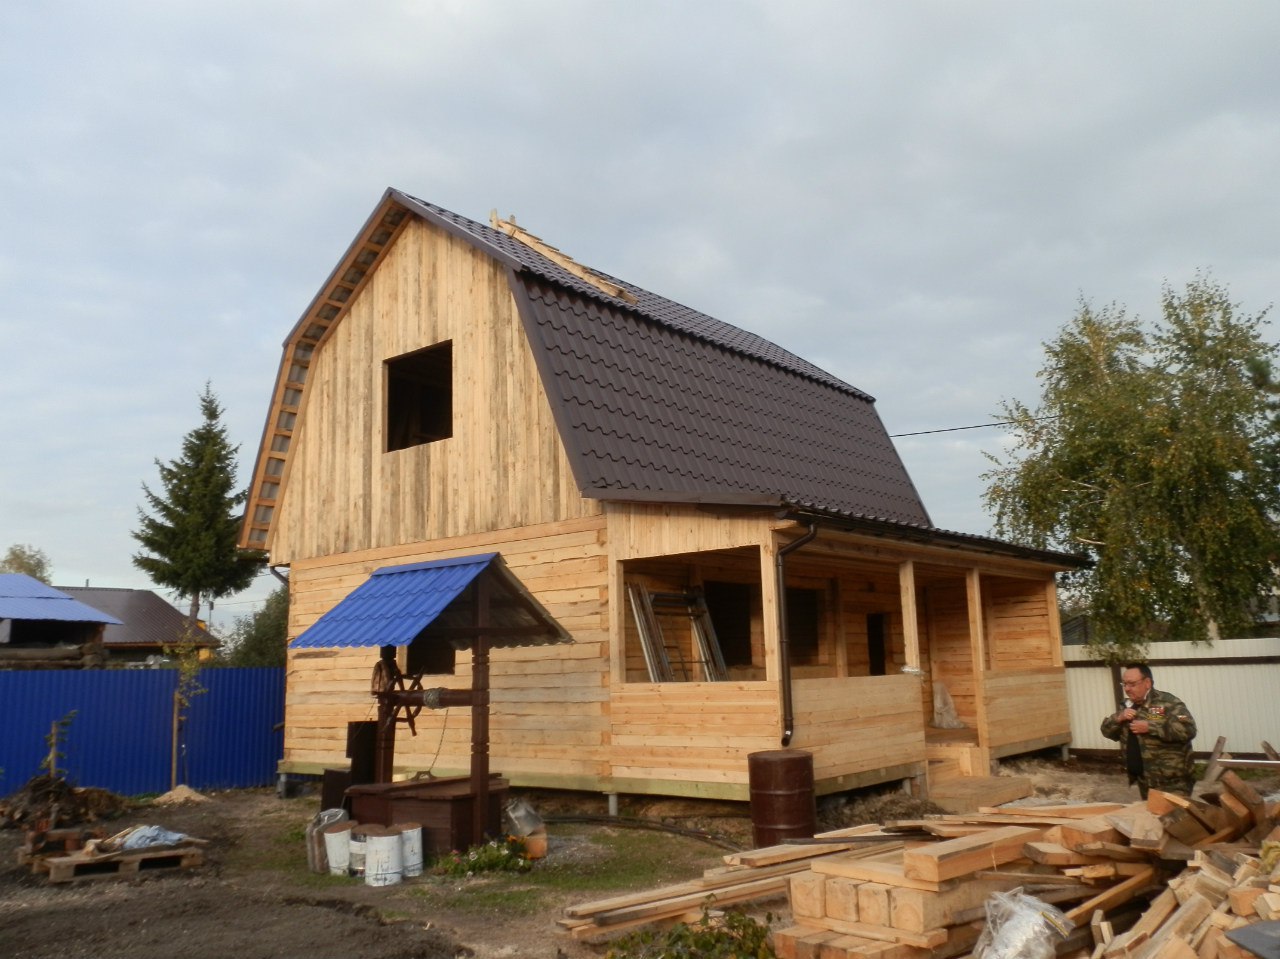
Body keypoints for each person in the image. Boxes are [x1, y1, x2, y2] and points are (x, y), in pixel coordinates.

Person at [1100, 662, 1197, 798]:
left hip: (1173, 783)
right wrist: (1119, 718)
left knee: (1172, 812)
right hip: (1145, 781)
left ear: (1147, 683)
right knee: (1151, 811)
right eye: (1124, 684)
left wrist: (1150, 727)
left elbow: (1188, 729)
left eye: (1132, 684)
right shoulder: (1128, 706)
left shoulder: (1168, 703)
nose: (1127, 689)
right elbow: (1106, 731)